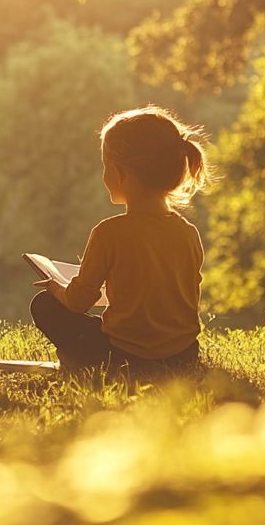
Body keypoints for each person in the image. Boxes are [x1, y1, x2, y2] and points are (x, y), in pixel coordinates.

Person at [30, 105, 209, 377]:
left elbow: (78, 302)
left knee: (43, 305)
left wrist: (56, 288)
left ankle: (79, 364)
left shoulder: (109, 233)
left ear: (120, 173)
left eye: (105, 167)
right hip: (183, 355)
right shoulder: (188, 232)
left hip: (123, 355)